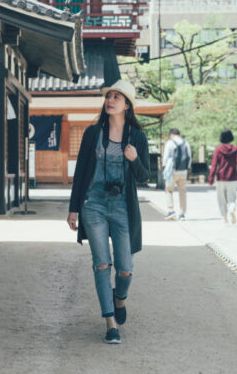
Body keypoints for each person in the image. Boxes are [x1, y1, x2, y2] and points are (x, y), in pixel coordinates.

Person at [67, 79, 150, 345]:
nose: (110, 100)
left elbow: (145, 177)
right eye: (109, 96)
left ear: (127, 105)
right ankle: (110, 324)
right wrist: (73, 209)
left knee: (125, 268)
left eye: (117, 97)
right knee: (101, 264)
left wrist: (134, 159)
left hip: (123, 207)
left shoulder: (137, 137)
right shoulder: (93, 133)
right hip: (94, 204)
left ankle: (119, 299)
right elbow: (80, 172)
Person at [208, 129, 237, 225]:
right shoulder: (236, 149)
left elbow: (214, 165)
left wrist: (211, 179)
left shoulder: (218, 149)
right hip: (232, 177)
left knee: (221, 199)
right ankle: (232, 208)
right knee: (231, 198)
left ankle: (225, 219)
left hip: (221, 178)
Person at [162, 128, 192, 220]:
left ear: (171, 134)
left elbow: (166, 157)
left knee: (169, 190)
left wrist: (164, 167)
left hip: (172, 171)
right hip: (183, 171)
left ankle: (171, 210)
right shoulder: (186, 143)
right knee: (182, 192)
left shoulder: (170, 143)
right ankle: (182, 214)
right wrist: (187, 168)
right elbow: (189, 157)